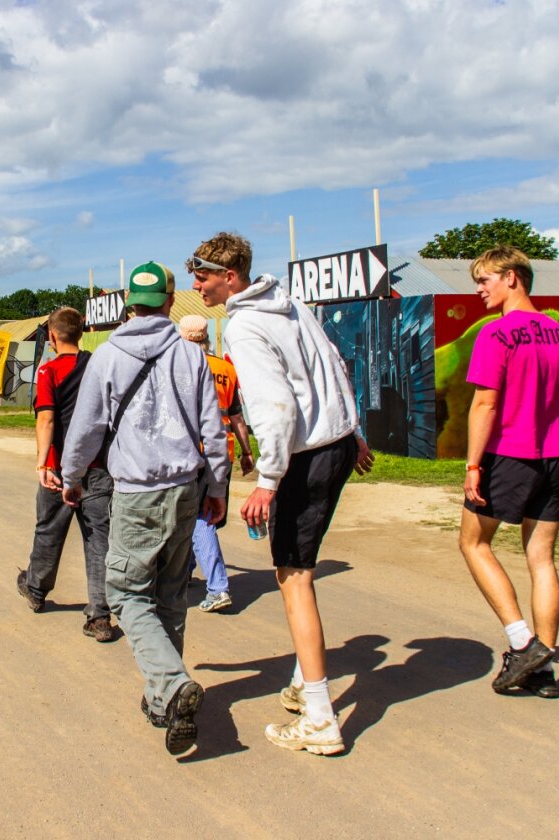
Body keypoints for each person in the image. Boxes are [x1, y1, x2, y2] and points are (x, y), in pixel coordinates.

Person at [189, 232, 373, 756]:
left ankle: (320, 718)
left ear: (230, 276)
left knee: (293, 577)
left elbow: (274, 408)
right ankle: (300, 680)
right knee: (302, 568)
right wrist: (353, 431)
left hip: (306, 455)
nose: (196, 285)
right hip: (334, 444)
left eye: (202, 275)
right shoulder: (290, 302)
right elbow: (336, 366)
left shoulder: (245, 325)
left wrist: (267, 482)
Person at [60, 261, 229, 756]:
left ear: (128, 304)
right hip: (184, 490)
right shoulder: (191, 355)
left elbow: (87, 428)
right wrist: (217, 488)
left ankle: (172, 685)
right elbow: (211, 432)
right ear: (171, 303)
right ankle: (163, 702)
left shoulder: (107, 356)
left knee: (128, 594)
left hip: (134, 491)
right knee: (172, 594)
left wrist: (71, 479)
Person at [457, 245, 559, 700]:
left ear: (512, 277)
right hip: (554, 458)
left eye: (485, 279)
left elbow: (485, 403)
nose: (478, 289)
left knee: (473, 542)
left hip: (509, 455)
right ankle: (543, 671)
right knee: (542, 558)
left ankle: (523, 644)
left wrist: (473, 464)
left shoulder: (497, 334)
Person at [16, 307, 115, 642]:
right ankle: (100, 617)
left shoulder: (48, 371)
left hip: (59, 467)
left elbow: (46, 419)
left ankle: (35, 589)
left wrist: (43, 463)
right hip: (98, 467)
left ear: (53, 336)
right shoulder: (96, 367)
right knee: (98, 539)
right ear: (82, 332)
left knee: (49, 529)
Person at [176, 314, 255, 612]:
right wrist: (248, 454)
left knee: (198, 518)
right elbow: (237, 417)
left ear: (183, 337)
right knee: (203, 515)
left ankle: (217, 587)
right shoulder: (226, 369)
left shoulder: (183, 367)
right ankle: (185, 572)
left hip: (193, 454)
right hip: (224, 453)